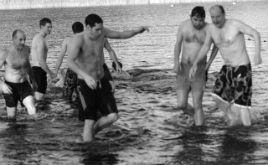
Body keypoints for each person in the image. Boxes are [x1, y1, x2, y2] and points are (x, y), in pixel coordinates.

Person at [67, 13, 149, 142]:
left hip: (102, 80)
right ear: (88, 27)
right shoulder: (78, 40)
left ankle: (89, 136)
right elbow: (70, 62)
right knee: (90, 120)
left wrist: (137, 31)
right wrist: (86, 77)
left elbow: (121, 35)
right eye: (97, 29)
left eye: (101, 29)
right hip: (85, 83)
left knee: (113, 116)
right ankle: (88, 150)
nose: (100, 32)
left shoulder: (103, 33)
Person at [189, 5, 262, 126]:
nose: (216, 20)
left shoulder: (235, 24)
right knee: (216, 96)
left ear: (224, 15)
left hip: (242, 68)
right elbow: (206, 47)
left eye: (218, 17)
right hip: (227, 69)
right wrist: (196, 64)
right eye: (213, 17)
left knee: (242, 105)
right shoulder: (212, 29)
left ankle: (247, 131)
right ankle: (232, 116)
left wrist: (257, 53)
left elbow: (255, 33)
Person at [54, 22, 124, 103]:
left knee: (66, 95)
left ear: (73, 31)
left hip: (72, 70)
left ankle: (69, 110)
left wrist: (56, 71)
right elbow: (109, 51)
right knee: (83, 95)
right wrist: (117, 64)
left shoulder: (67, 40)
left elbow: (60, 57)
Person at [174, 6, 218, 126]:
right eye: (195, 20)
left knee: (197, 103)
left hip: (199, 70)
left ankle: (200, 130)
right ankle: (197, 117)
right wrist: (176, 62)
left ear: (204, 18)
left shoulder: (209, 29)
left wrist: (209, 64)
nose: (198, 23)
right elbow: (178, 44)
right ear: (190, 17)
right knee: (181, 104)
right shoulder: (183, 26)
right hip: (184, 68)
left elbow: (217, 45)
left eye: (201, 20)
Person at [0, 30, 37, 121]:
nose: (23, 42)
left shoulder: (26, 49)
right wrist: (1, 84)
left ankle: (35, 133)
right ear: (13, 39)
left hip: (24, 85)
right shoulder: (5, 53)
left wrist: (33, 80)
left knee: (32, 109)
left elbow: (27, 65)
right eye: (20, 40)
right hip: (10, 87)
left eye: (24, 39)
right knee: (12, 119)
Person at [31, 17, 56, 102]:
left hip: (38, 71)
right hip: (38, 70)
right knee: (39, 98)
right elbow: (41, 60)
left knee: (39, 99)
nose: (50, 29)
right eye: (48, 27)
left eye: (51, 27)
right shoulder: (40, 40)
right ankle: (35, 114)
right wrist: (50, 73)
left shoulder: (41, 38)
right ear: (42, 27)